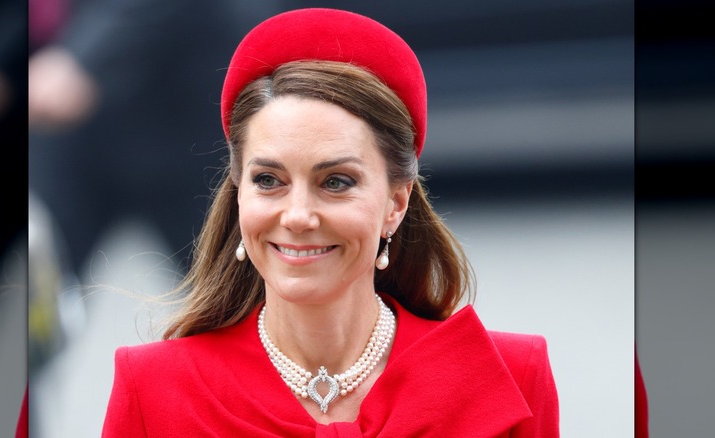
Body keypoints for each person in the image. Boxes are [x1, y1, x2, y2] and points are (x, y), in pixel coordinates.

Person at [102, 8, 559, 437]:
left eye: (336, 181)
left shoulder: (509, 377)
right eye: (268, 180)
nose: (298, 216)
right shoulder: (153, 390)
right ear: (239, 193)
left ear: (395, 203)